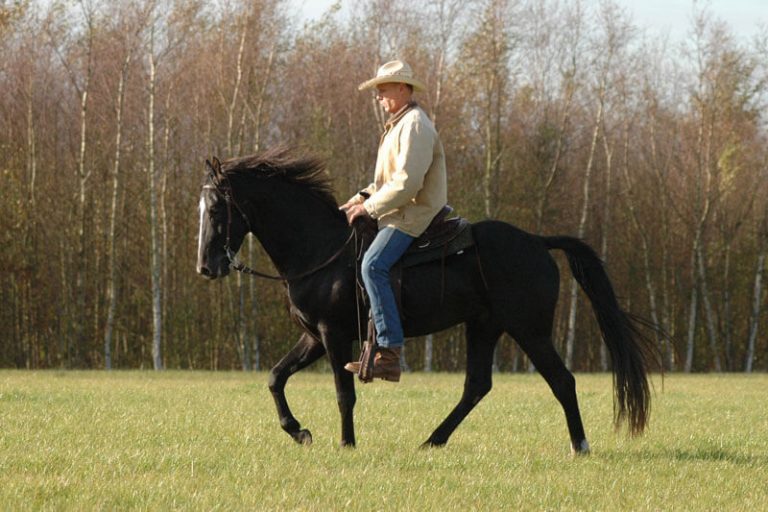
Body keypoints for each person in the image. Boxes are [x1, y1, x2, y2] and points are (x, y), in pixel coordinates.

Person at [341, 60, 447, 382]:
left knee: (372, 265)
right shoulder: (398, 125)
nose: (379, 97)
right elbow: (387, 180)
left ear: (403, 88)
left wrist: (370, 209)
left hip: (413, 213)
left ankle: (389, 352)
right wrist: (360, 197)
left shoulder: (414, 124)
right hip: (397, 208)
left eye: (383, 90)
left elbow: (407, 184)